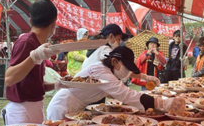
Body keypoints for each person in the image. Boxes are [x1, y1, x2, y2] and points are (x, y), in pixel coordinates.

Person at [47, 46, 184, 120]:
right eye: (125, 67)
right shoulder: (101, 72)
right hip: (63, 106)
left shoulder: (109, 71)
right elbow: (127, 94)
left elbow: (120, 90)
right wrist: (162, 103)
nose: (126, 72)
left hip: (78, 107)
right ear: (114, 61)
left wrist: (146, 78)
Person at [3, 0, 56, 124]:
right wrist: (34, 57)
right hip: (21, 110)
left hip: (34, 106)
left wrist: (58, 84)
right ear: (54, 22)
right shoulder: (27, 42)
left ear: (30, 20)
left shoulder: (38, 44)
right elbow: (9, 79)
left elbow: (34, 85)